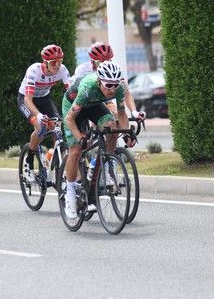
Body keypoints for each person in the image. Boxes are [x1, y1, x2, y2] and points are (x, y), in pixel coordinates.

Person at [62, 61, 135, 219]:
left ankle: (104, 163)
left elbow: (122, 114)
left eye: (115, 85)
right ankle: (69, 192)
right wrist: (79, 137)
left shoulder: (119, 89)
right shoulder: (87, 88)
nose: (112, 89)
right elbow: (69, 118)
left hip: (94, 105)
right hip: (73, 107)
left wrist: (127, 133)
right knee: (76, 149)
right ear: (99, 81)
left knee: (112, 128)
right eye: (108, 85)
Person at [17, 44, 71, 183]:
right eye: (54, 62)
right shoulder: (34, 70)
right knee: (41, 127)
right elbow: (28, 100)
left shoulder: (62, 70)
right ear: (45, 62)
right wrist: (39, 116)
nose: (57, 65)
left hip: (45, 99)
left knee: (57, 126)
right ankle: (28, 162)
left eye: (60, 61)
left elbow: (71, 94)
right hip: (27, 99)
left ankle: (54, 160)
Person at [72, 42, 142, 120]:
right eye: (100, 62)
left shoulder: (113, 69)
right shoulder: (82, 69)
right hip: (87, 99)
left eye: (108, 61)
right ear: (92, 62)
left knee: (116, 117)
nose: (105, 64)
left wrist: (134, 112)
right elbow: (78, 93)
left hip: (105, 99)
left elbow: (126, 93)